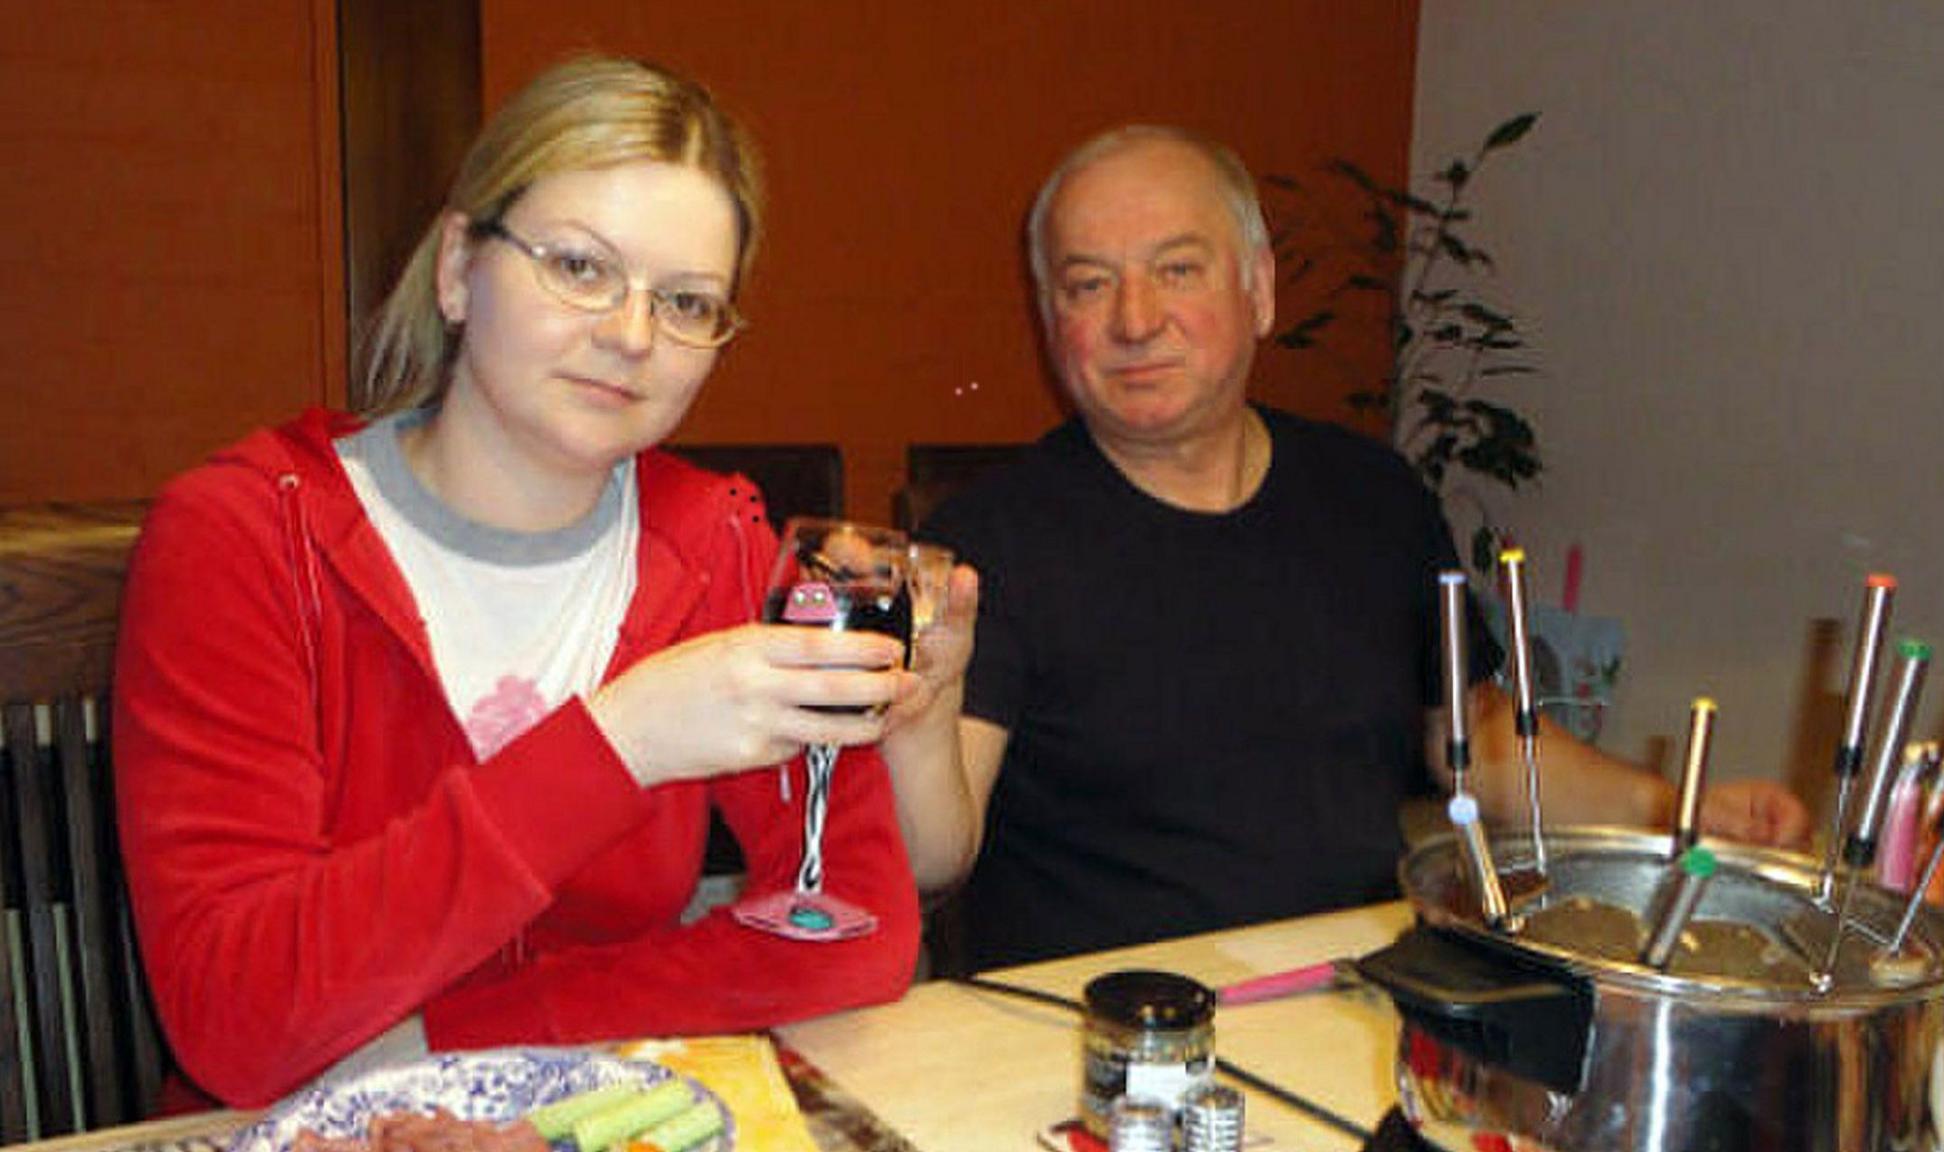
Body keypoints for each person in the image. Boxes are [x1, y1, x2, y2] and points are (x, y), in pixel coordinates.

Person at [113, 56, 974, 1109]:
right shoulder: (247, 536)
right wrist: (622, 741)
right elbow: (238, 1025)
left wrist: (445, 1037)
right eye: (578, 267)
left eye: (687, 301)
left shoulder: (718, 544)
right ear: (455, 268)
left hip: (588, 1114)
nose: (629, 335)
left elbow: (854, 925)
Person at [913, 125, 1810, 971]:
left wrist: (1677, 812)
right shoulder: (988, 546)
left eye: (1177, 269)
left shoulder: (1374, 498)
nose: (1135, 319)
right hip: (1103, 1034)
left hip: (1352, 999)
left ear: (1259, 290)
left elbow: (1481, 745)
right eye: (1087, 284)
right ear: (1048, 317)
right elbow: (934, 853)